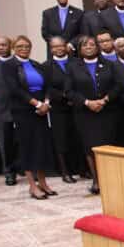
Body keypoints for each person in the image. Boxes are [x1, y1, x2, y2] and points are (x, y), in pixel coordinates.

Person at [2, 36, 55, 199]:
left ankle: (43, 183)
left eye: (27, 46)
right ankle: (32, 186)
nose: (24, 49)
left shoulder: (36, 64)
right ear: (13, 48)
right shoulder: (8, 65)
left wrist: (46, 103)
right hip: (23, 110)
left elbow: (48, 86)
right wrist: (37, 104)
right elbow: (15, 89)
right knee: (28, 147)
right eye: (20, 46)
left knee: (41, 146)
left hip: (41, 110)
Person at [66, 35, 116, 194]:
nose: (88, 47)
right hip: (85, 113)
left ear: (97, 47)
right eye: (84, 45)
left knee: (108, 146)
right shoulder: (72, 67)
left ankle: (110, 180)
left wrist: (104, 100)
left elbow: (118, 86)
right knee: (90, 147)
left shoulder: (109, 64)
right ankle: (96, 181)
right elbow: (69, 91)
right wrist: (87, 102)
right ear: (80, 49)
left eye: (92, 44)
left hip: (106, 111)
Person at [47, 36, 83, 182]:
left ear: (66, 46)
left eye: (61, 45)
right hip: (59, 108)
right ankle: (65, 172)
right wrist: (65, 96)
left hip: (78, 106)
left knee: (80, 138)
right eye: (55, 46)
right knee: (61, 140)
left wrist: (75, 98)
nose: (59, 49)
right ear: (51, 49)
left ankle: (83, 169)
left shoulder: (77, 62)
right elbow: (48, 88)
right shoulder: (46, 66)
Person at [0, 37, 18, 185]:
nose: (1, 47)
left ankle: (29, 169)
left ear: (10, 46)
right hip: (2, 108)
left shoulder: (18, 62)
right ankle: (9, 172)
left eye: (4, 45)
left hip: (21, 106)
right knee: (5, 141)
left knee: (25, 138)